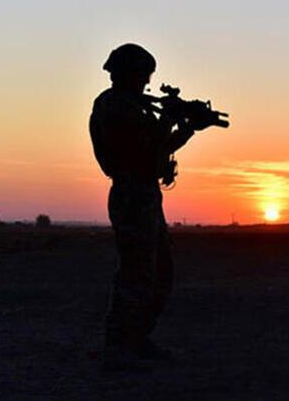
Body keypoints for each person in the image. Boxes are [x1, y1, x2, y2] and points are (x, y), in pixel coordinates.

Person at [89, 43, 212, 370]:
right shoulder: (113, 106)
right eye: (143, 74)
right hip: (131, 193)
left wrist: (186, 128)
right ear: (127, 72)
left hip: (145, 192)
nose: (146, 81)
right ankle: (118, 346)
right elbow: (139, 145)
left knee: (158, 272)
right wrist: (169, 118)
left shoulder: (135, 106)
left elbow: (157, 147)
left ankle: (137, 339)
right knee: (135, 272)